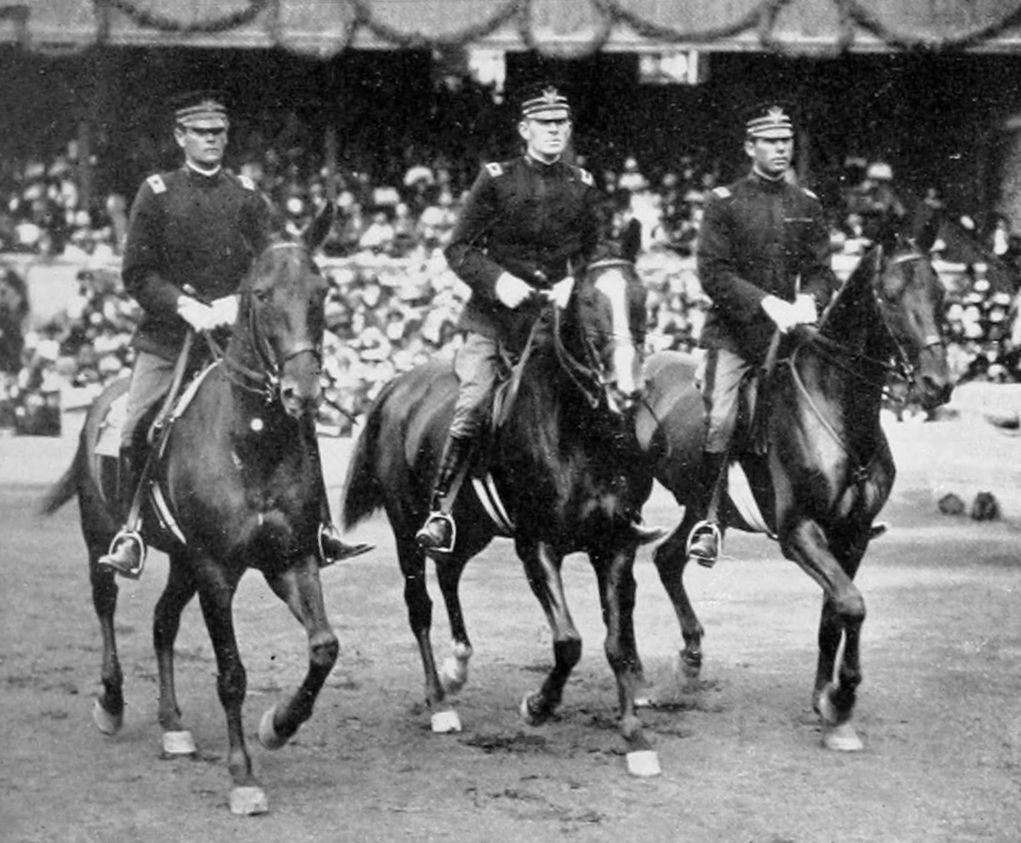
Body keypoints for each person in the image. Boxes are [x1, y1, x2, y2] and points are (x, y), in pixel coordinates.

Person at [99, 90, 366, 578]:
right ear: (181, 137)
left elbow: (265, 267)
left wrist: (235, 302)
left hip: (237, 342)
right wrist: (186, 307)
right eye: (201, 133)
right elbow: (137, 273)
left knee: (298, 415)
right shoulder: (155, 193)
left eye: (218, 133)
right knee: (137, 422)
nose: (211, 141)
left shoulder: (246, 194)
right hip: (169, 338)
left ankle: (320, 528)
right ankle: (132, 529)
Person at [415, 83, 661, 553]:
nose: (553, 132)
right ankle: (442, 511)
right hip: (496, 320)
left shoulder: (582, 184)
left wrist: (577, 281)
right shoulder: (495, 179)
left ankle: (622, 508)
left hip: (558, 323)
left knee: (611, 395)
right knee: (473, 401)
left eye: (560, 125)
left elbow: (593, 249)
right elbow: (459, 248)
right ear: (525, 129)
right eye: (543, 124)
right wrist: (499, 283)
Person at [687, 103, 838, 567]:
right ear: (750, 147)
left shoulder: (806, 204)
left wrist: (810, 301)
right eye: (770, 142)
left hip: (789, 333)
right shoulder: (724, 201)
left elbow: (820, 271)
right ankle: (708, 519)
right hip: (733, 335)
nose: (780, 149)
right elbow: (712, 271)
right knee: (721, 419)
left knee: (831, 402)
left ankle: (840, 508)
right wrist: (765, 303)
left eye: (786, 141)